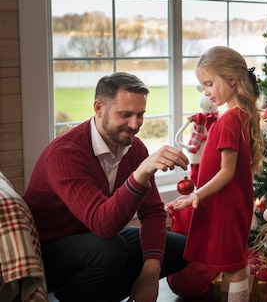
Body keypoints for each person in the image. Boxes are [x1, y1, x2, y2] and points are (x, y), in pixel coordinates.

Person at [23, 72, 190, 302]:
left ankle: (103, 295)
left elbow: (152, 212)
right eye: (125, 115)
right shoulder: (65, 154)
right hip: (47, 253)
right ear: (99, 108)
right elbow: (103, 225)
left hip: (96, 237)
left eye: (140, 115)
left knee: (181, 247)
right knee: (110, 249)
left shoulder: (134, 148)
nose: (135, 125)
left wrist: (150, 274)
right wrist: (141, 173)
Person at [167, 46, 265, 302]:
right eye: (203, 86)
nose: (206, 92)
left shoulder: (227, 121)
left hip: (226, 204)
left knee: (232, 266)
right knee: (237, 258)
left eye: (209, 83)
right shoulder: (238, 115)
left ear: (232, 78)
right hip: (232, 202)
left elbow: (226, 172)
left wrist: (195, 195)